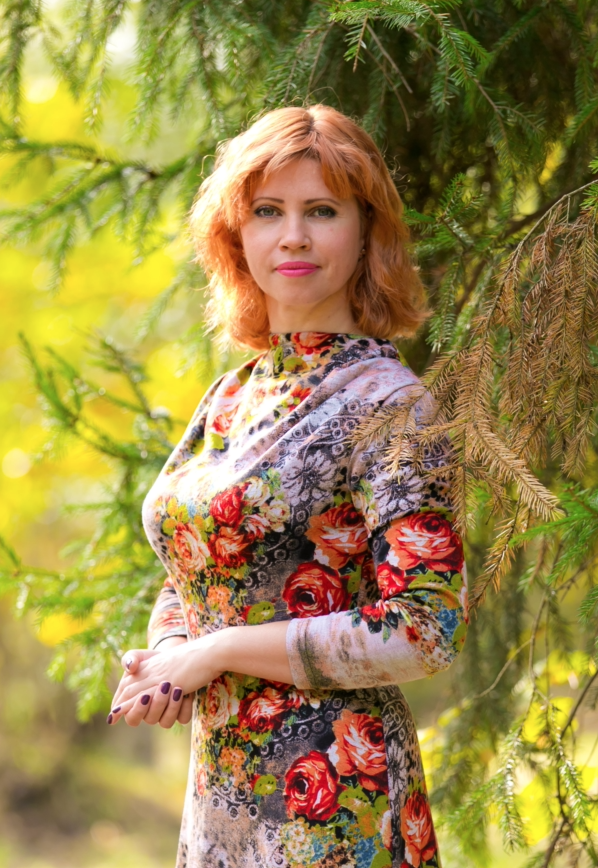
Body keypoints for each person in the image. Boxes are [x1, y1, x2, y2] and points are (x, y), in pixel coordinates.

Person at [108, 104, 471, 868]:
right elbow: (196, 568)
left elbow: (425, 627)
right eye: (268, 211)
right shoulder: (232, 396)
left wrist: (218, 652)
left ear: (367, 232)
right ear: (235, 234)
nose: (293, 236)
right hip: (222, 803)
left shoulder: (391, 404)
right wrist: (170, 654)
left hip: (338, 804)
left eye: (322, 211)